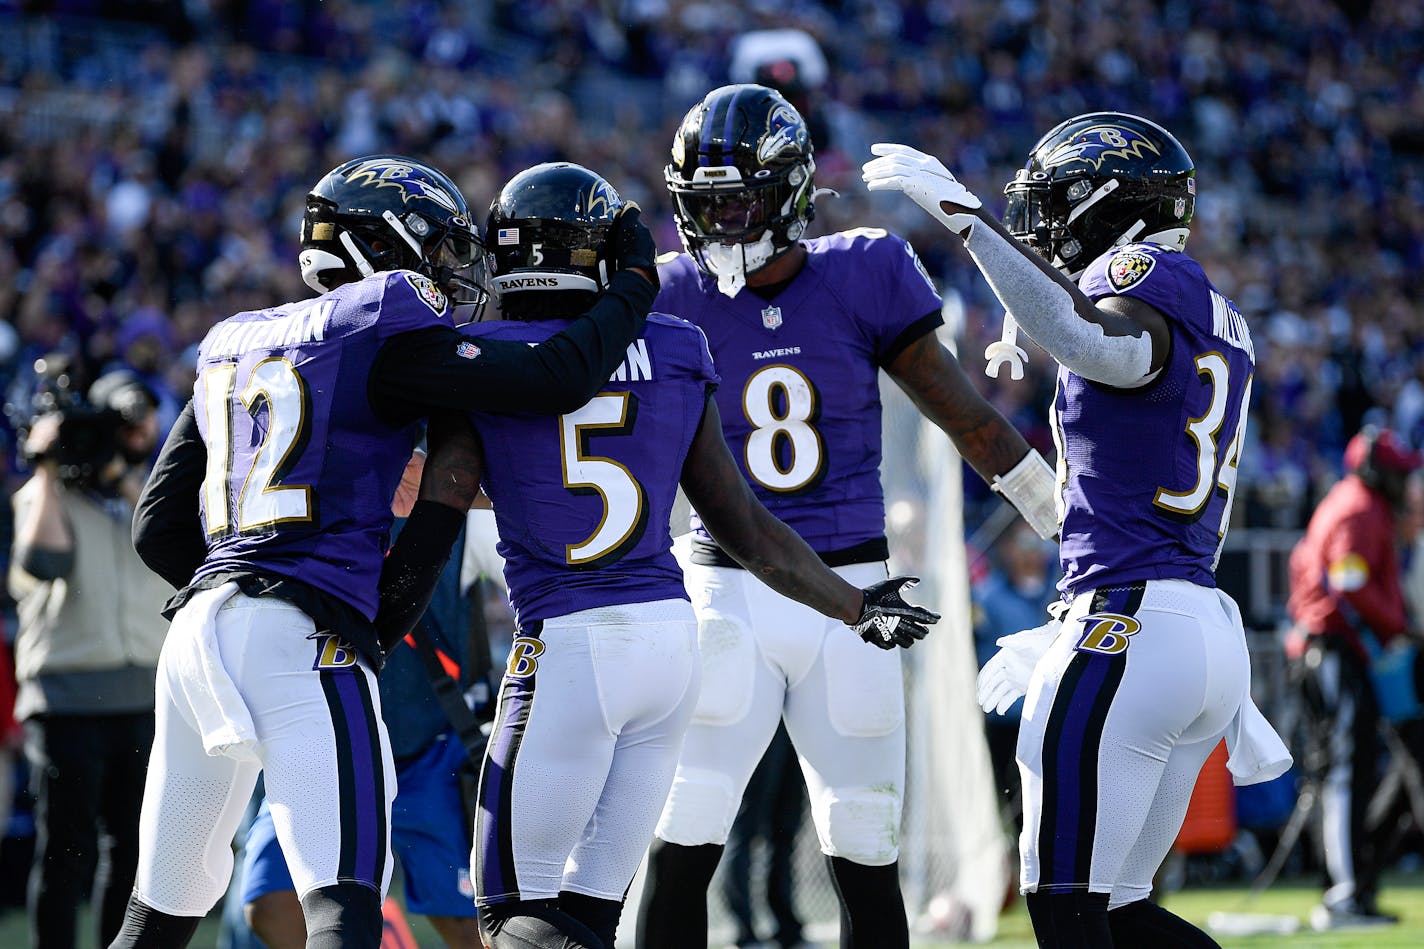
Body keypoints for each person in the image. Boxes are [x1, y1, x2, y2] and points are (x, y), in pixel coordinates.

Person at [110, 153, 661, 949]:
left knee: (156, 915)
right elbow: (557, 376)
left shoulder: (231, 339)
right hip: (300, 641)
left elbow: (157, 527)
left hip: (195, 635)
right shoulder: (379, 321)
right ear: (386, 246)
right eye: (436, 251)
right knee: (341, 907)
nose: (450, 272)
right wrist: (634, 279)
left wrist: (248, 584)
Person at [443, 160, 938, 949]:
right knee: (598, 904)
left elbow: (440, 491)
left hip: (582, 640)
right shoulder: (675, 345)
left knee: (516, 910)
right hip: (674, 636)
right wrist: (852, 603)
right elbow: (742, 518)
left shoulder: (482, 356)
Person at [637, 84, 1058, 949]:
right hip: (776, 592)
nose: (719, 221)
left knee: (859, 851)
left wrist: (1064, 525)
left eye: (737, 199)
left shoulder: (822, 274)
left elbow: (966, 417)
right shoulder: (825, 270)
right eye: (703, 203)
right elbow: (971, 421)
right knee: (687, 839)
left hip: (818, 597)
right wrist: (1072, 528)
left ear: (790, 190)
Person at [863, 112, 1289, 947]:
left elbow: (1094, 339)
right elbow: (1088, 502)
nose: (1047, 227)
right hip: (1190, 621)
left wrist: (970, 223)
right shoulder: (1218, 311)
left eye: (1059, 205)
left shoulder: (1144, 277)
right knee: (1119, 910)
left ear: (1111, 207)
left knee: (1064, 905)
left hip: (1126, 625)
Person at [240, 518, 487, 949]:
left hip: (427, 748)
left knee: (472, 924)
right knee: (270, 904)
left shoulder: (463, 504)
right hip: (322, 746)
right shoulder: (309, 494)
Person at [9, 365, 170, 949]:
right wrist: (47, 468)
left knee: (130, 850)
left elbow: (175, 546)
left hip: (142, 696)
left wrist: (125, 480)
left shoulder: (150, 491)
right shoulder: (40, 495)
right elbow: (44, 562)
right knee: (65, 851)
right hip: (67, 698)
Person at [1286, 425, 1422, 930]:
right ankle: (1343, 895)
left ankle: (1350, 891)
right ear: (1374, 472)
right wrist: (1397, 626)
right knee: (1344, 770)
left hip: (1333, 647)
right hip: (1334, 648)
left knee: (1353, 767)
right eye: (1395, 473)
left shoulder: (1353, 502)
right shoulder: (1358, 509)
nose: (1402, 483)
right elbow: (1350, 584)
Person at [972, 520, 1059, 830]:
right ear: (1007, 549)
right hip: (1007, 722)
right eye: (1023, 545)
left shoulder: (1062, 592)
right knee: (1012, 808)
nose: (1031, 554)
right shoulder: (986, 596)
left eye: (1037, 545)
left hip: (1054, 718)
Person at [720, 723, 811, 949]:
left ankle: (787, 930)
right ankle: (744, 932)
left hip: (796, 726)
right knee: (744, 832)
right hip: (760, 721)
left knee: (785, 832)